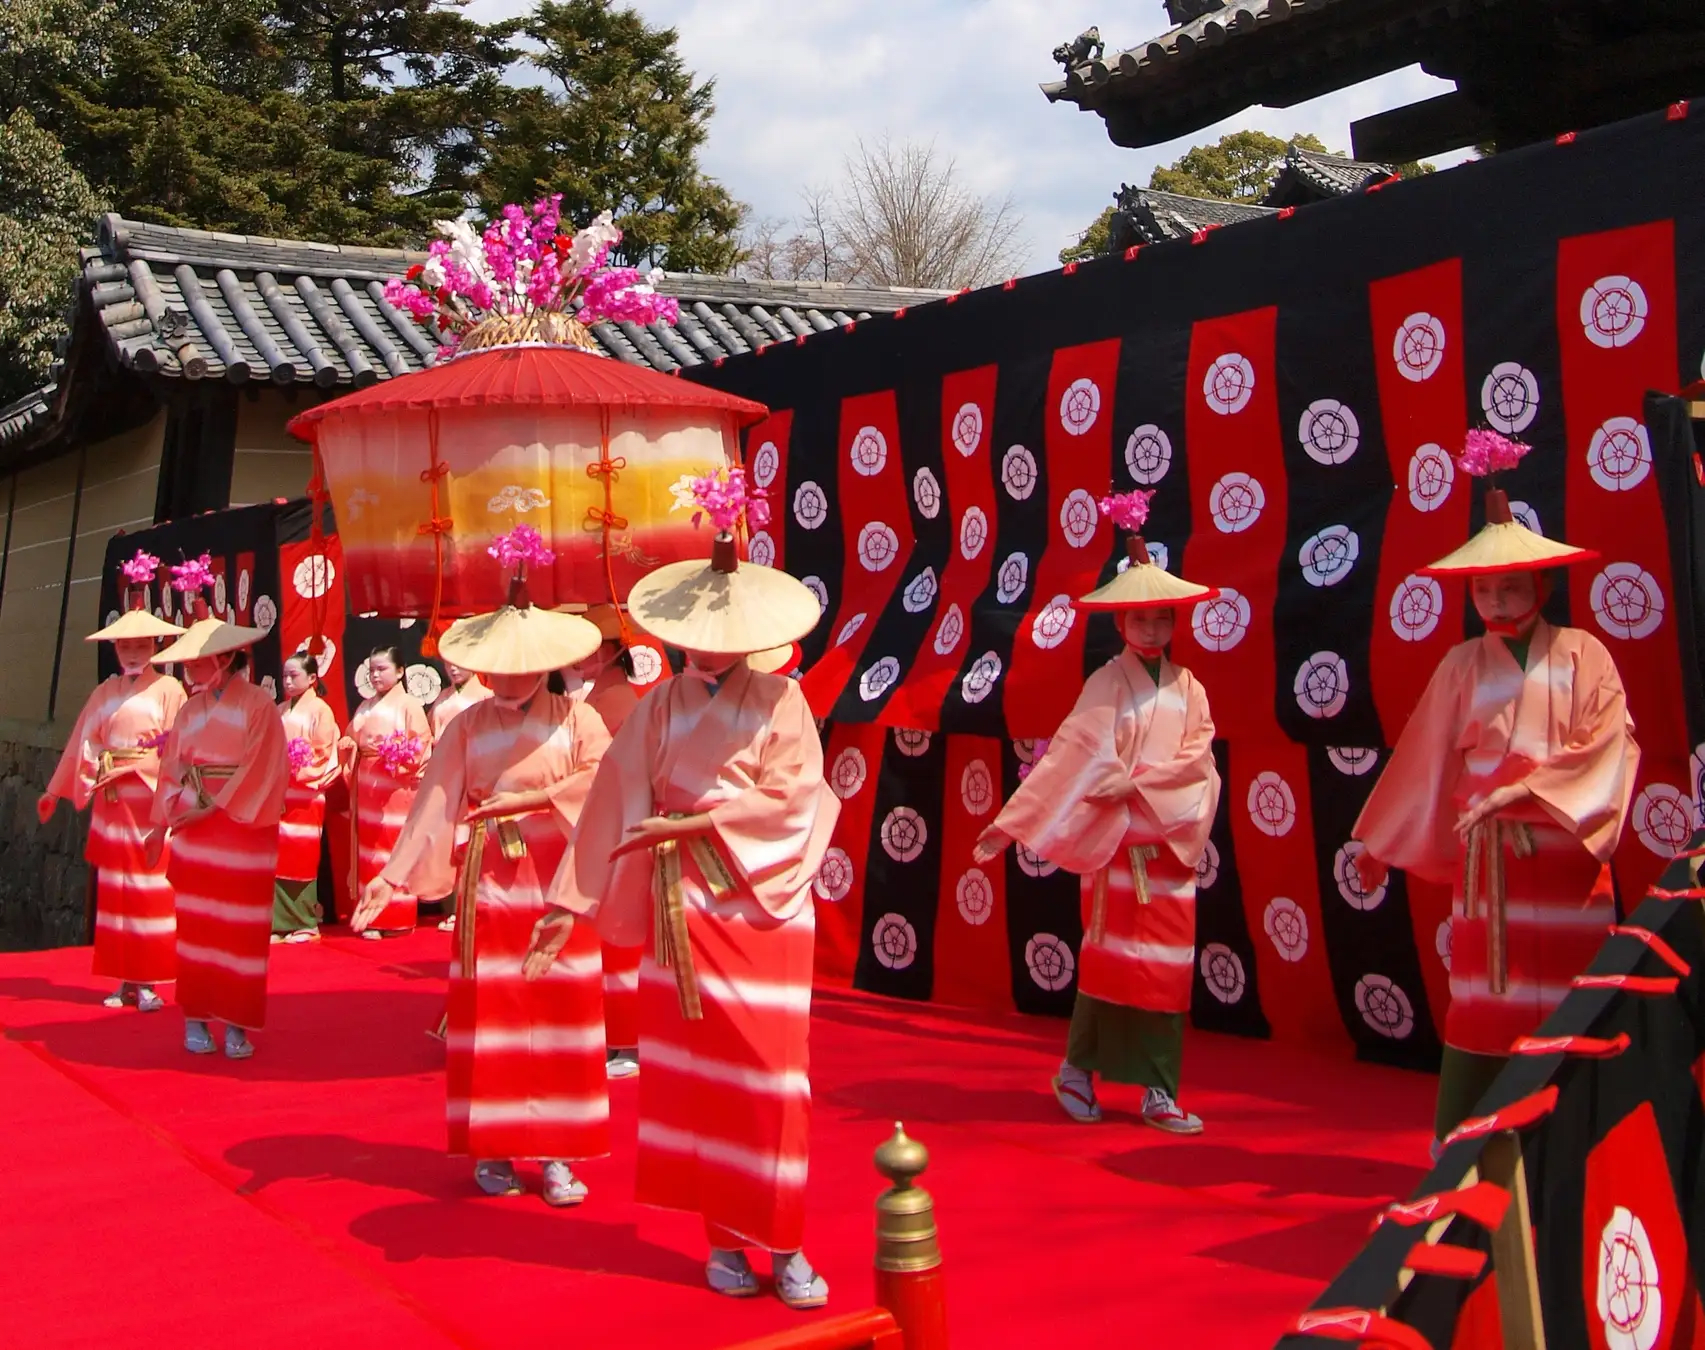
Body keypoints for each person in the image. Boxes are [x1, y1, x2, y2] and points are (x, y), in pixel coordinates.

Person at [525, 493, 835, 1311]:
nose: (701, 643)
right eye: (689, 628)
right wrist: (569, 902)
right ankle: (725, 1240)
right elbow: (609, 804)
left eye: (716, 631)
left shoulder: (782, 704)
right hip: (679, 907)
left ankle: (786, 1238)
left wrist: (700, 818)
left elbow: (797, 801)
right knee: (698, 1081)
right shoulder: (657, 706)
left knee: (773, 1081)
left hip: (758, 907)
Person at [1352, 451, 1636, 1147]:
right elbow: (1421, 758)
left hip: (1567, 864)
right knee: (1482, 1009)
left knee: (1571, 1009)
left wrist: (1527, 788)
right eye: (1485, 592)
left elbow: (1609, 744)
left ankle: (1572, 1155)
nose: (1499, 604)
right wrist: (1378, 841)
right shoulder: (1460, 665)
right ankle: (1464, 1152)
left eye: (1512, 588)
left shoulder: (1584, 654)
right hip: (1490, 870)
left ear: (1540, 587)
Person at [354, 546, 612, 1205]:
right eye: (493, 667)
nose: (505, 678)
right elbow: (435, 801)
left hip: (559, 884)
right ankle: (494, 1145)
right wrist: (391, 877)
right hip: (493, 881)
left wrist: (528, 801)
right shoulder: (466, 726)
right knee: (494, 1006)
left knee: (561, 1008)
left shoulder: (579, 719)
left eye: (518, 666)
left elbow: (604, 783)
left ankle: (558, 1152)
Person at [975, 493, 1221, 1135]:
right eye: (1138, 619)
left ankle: (1159, 1091)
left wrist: (1136, 786)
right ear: (1119, 623)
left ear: (1173, 623)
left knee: (1166, 974)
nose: (1150, 630)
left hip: (1167, 851)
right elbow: (1071, 757)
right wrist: (1011, 823)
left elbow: (1200, 765)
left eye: (1160, 620)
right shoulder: (1106, 685)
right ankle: (1078, 1072)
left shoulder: (1190, 689)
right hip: (1116, 850)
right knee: (1109, 966)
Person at [146, 572, 288, 1059]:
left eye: (198, 658)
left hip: (242, 830)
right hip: (196, 825)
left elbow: (265, 767)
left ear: (225, 658)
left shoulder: (260, 705)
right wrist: (165, 818)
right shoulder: (189, 711)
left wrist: (218, 806)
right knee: (199, 925)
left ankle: (238, 1025)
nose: (189, 667)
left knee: (241, 928)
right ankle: (196, 1017)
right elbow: (172, 770)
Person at [41, 551, 186, 1011]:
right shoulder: (104, 692)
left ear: (155, 647)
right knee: (115, 893)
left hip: (146, 800)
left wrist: (139, 766)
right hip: (111, 801)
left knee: (148, 888)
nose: (133, 651)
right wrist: (54, 789)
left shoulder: (170, 690)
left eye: (142, 645)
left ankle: (147, 978)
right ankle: (122, 978)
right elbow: (82, 739)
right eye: (125, 646)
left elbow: (177, 751)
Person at [560, 601, 644, 1079]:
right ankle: (613, 1037)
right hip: (599, 826)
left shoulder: (617, 703)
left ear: (611, 650)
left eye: (592, 647)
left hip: (615, 829)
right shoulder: (600, 700)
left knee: (618, 943)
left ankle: (628, 1042)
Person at [341, 646, 431, 938]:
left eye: (382, 669)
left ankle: (395, 917)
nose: (375, 675)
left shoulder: (409, 706)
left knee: (392, 845)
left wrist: (400, 758)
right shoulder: (365, 706)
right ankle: (370, 915)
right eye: (372, 670)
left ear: (400, 671)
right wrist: (349, 747)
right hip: (368, 783)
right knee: (369, 847)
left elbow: (420, 747)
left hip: (396, 787)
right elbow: (351, 737)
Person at [275, 652, 339, 943]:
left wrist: (296, 767)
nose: (287, 681)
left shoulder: (321, 710)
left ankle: (305, 922)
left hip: (306, 792)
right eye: (285, 676)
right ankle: (280, 923)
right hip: (281, 793)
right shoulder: (279, 710)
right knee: (278, 856)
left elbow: (324, 751)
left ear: (313, 678)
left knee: (301, 855)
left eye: (294, 676)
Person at [428, 661, 493, 935]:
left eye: (458, 664)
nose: (452, 669)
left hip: (472, 775)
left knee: (468, 841)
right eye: (447, 664)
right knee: (446, 841)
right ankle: (451, 907)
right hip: (446, 776)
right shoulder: (442, 699)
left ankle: (470, 907)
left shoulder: (485, 697)